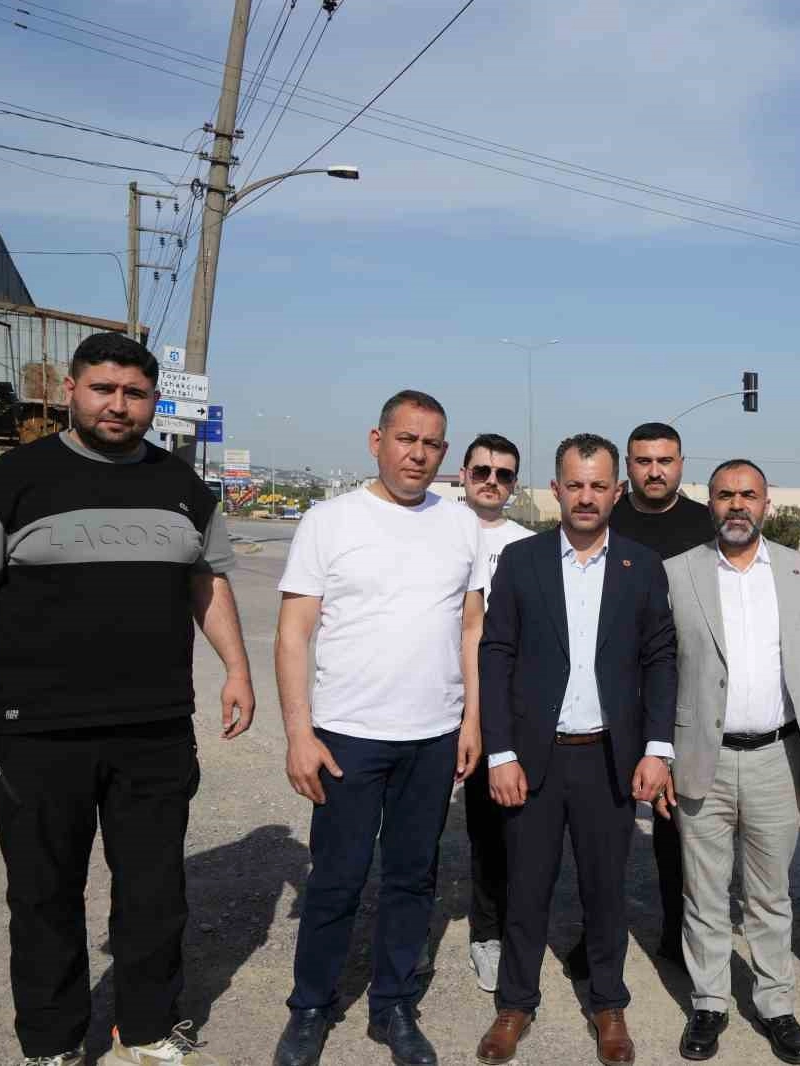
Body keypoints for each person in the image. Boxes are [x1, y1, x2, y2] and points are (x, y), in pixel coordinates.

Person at [0, 332, 253, 1066]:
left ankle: (145, 1025)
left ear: (152, 402)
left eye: (134, 393)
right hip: (39, 731)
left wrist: (236, 668)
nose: (118, 405)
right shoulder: (17, 478)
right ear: (71, 391)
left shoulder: (182, 486)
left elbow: (207, 580)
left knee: (154, 891)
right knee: (43, 893)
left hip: (155, 730)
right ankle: (51, 1041)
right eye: (103, 389)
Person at [271, 391, 487, 1066]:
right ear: (377, 440)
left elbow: (472, 627)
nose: (418, 454)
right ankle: (311, 1006)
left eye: (431, 444)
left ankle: (393, 1005)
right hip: (347, 735)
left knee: (412, 877)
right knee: (336, 877)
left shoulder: (461, 525)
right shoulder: (329, 522)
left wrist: (471, 719)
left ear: (444, 452)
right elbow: (293, 633)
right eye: (406, 439)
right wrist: (299, 734)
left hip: (432, 736)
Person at [474, 433, 676, 1066]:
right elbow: (496, 653)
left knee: (606, 890)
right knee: (526, 887)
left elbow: (660, 658)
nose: (586, 497)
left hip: (609, 758)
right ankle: (515, 1003)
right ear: (556, 489)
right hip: (534, 758)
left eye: (598, 486)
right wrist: (501, 753)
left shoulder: (641, 565)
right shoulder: (521, 560)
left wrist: (657, 749)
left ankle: (608, 1003)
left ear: (617, 491)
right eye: (575, 485)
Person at [660, 459, 800, 1064]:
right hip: (701, 757)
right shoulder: (678, 572)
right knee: (704, 892)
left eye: (748, 495)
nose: (736, 505)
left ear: (766, 503)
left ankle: (775, 1004)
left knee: (770, 895)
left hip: (777, 757)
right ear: (709, 502)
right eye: (724, 495)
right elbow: (659, 670)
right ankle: (709, 1003)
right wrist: (659, 756)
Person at [589, 420, 715, 972]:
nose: (655, 471)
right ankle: (596, 935)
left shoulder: (706, 524)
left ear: (681, 464)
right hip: (610, 693)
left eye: (665, 461)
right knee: (603, 828)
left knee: (675, 826)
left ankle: (677, 932)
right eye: (643, 461)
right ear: (629, 467)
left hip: (682, 692)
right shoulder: (605, 519)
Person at [454, 433, 535, 996]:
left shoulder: (527, 546)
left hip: (497, 705)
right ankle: (408, 937)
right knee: (414, 833)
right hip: (428, 701)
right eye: (481, 470)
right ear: (463, 473)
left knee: (493, 829)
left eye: (503, 474)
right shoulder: (435, 530)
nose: (491, 481)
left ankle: (489, 933)